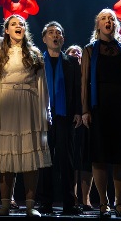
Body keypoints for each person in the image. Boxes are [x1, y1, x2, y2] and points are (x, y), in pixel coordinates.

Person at [0, 14, 52, 217]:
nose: (18, 26)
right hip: (5, 105)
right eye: (13, 24)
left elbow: (42, 85)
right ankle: (4, 204)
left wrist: (45, 111)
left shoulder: (34, 52)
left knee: (31, 154)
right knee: (6, 156)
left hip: (29, 106)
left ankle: (30, 205)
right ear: (6, 30)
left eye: (21, 24)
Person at [80, 9, 121, 218]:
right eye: (104, 18)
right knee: (100, 156)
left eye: (111, 18)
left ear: (116, 24)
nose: (108, 21)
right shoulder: (89, 50)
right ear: (98, 25)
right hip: (99, 108)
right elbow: (84, 81)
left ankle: (119, 202)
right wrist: (85, 110)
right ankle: (103, 202)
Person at [36, 21, 82, 216]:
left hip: (64, 116)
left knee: (66, 160)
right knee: (45, 160)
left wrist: (79, 112)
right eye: (51, 32)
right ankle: (45, 202)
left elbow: (77, 89)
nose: (55, 35)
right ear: (44, 38)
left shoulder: (70, 62)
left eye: (59, 33)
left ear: (63, 39)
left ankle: (69, 203)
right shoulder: (37, 61)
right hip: (42, 117)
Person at [66, 44, 94, 212]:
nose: (76, 53)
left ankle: (86, 198)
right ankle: (73, 196)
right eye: (72, 52)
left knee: (86, 160)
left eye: (78, 52)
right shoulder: (66, 70)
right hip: (71, 119)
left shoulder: (87, 73)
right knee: (73, 160)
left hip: (87, 119)